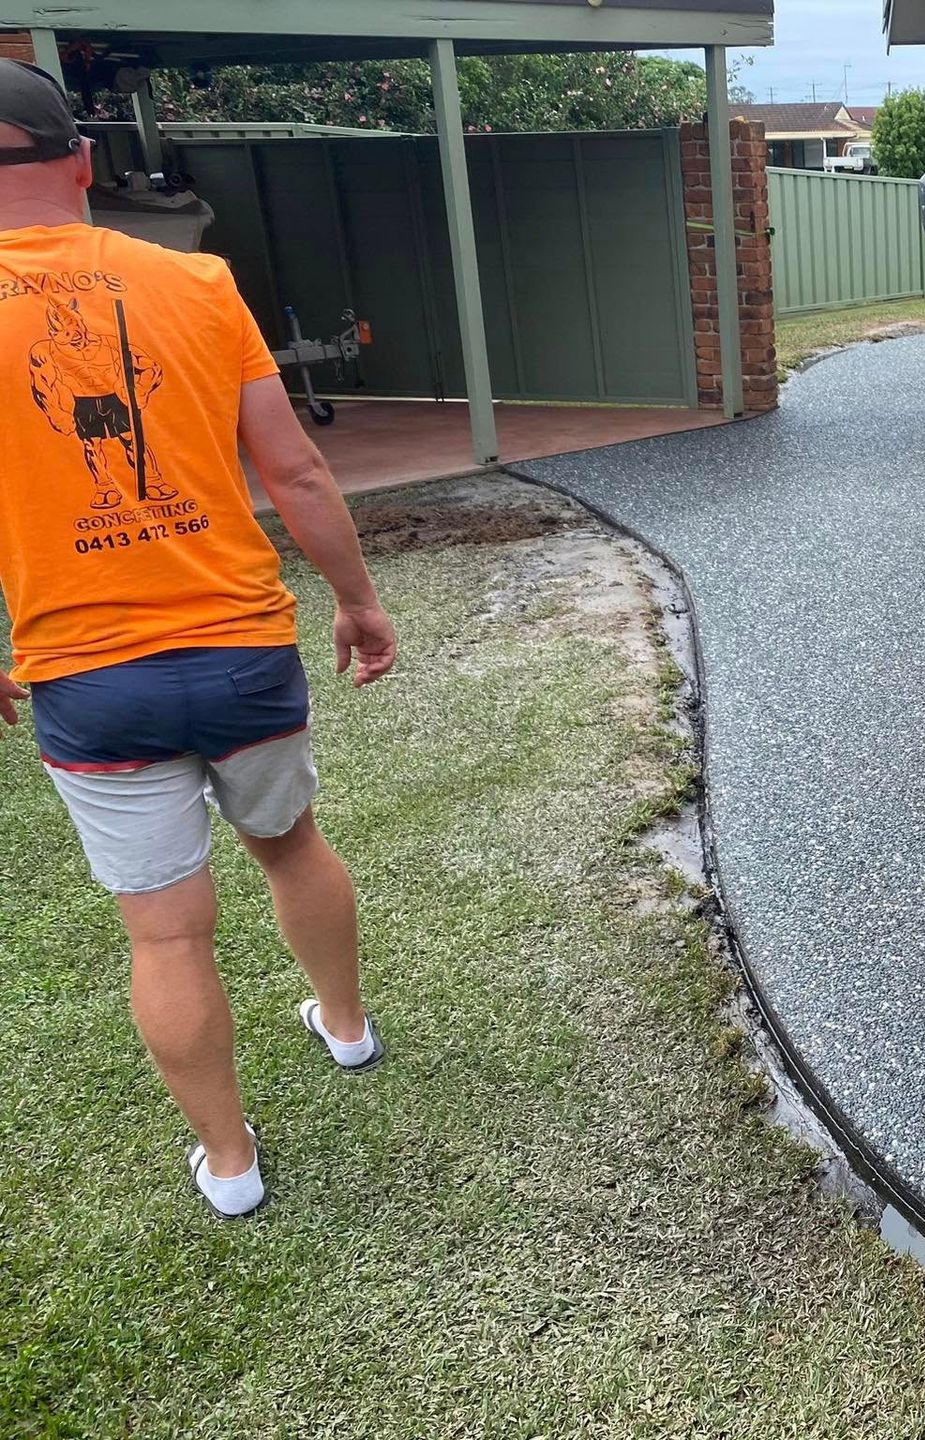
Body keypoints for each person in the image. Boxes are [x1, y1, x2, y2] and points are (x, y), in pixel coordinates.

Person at [0, 60, 397, 1219]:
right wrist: (358, 600)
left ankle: (231, 1164)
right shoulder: (199, 281)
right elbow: (295, 468)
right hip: (238, 652)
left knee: (166, 937)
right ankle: (350, 1027)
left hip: (88, 680)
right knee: (291, 845)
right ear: (80, 160)